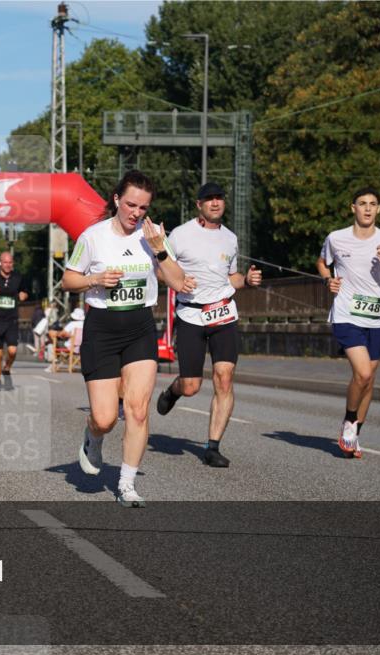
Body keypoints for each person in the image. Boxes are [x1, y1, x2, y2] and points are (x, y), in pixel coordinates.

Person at [66, 171, 186, 507]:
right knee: (105, 418)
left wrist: (160, 250)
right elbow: (68, 280)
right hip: (102, 329)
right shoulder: (93, 237)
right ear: (117, 199)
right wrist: (95, 279)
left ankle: (127, 484)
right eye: (131, 204)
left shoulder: (153, 237)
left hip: (139, 328)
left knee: (136, 409)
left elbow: (177, 282)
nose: (136, 212)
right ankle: (92, 435)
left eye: (143, 207)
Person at [155, 182, 262, 468]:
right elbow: (160, 268)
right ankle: (173, 392)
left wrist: (247, 281)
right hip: (191, 316)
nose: (215, 203)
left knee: (224, 377)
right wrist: (177, 280)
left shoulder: (230, 238)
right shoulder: (180, 235)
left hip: (224, 315)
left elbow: (231, 278)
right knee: (191, 386)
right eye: (209, 199)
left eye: (219, 199)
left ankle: (212, 446)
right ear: (199, 204)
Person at [316, 187, 380, 457]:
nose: (367, 208)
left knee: (369, 380)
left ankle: (354, 435)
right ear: (352, 208)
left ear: (378, 209)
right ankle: (349, 420)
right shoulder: (337, 238)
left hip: (378, 318)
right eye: (362, 203)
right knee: (363, 373)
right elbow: (322, 262)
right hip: (346, 314)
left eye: (373, 204)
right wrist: (328, 280)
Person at [0, 251, 29, 390]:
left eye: (10, 262)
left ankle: (7, 368)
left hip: (12, 320)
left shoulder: (18, 277)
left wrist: (23, 295)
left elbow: (24, 292)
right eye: (5, 262)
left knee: (12, 351)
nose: (8, 265)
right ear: (0, 263)